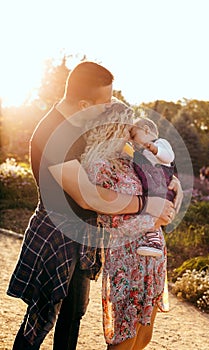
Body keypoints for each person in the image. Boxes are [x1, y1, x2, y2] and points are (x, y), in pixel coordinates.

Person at [7, 61, 181, 350]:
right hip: (57, 234)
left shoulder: (83, 119)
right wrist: (147, 204)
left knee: (74, 315)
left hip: (84, 234)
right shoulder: (54, 134)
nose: (110, 107)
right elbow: (88, 196)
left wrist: (164, 174)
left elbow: (122, 131)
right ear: (86, 103)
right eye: (105, 103)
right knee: (40, 318)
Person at [79, 100, 175, 349]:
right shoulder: (99, 166)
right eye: (126, 128)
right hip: (126, 258)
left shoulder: (131, 160)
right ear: (111, 128)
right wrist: (154, 217)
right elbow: (108, 218)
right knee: (125, 338)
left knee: (144, 337)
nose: (131, 134)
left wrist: (175, 196)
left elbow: (163, 185)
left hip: (153, 255)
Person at [129, 117, 176, 258]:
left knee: (155, 216)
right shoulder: (144, 151)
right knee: (150, 216)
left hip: (161, 186)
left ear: (146, 130)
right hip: (152, 187)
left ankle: (154, 245)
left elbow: (169, 157)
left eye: (134, 136)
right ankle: (153, 243)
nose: (133, 141)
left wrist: (155, 149)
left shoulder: (161, 143)